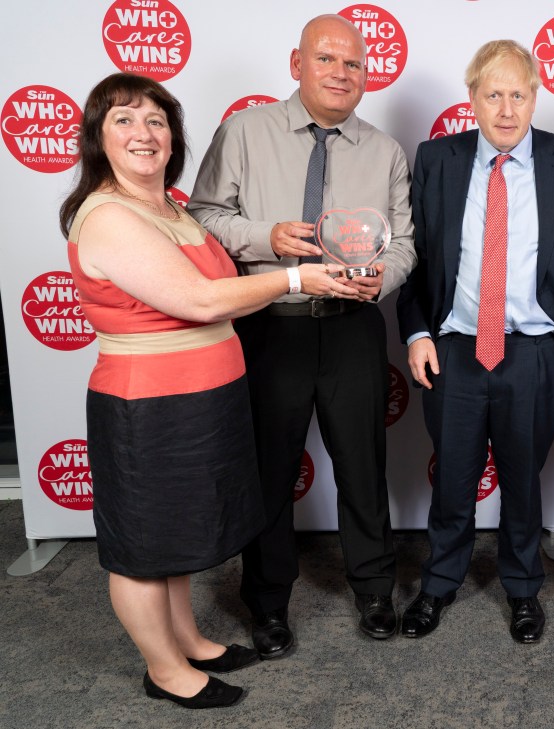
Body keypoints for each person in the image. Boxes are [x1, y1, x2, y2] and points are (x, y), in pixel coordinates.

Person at [59, 73, 351, 708]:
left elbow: (222, 298)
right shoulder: (107, 215)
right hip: (147, 404)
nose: (145, 133)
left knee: (178, 531)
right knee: (143, 545)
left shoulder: (168, 205)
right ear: (98, 138)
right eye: (125, 120)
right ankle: (164, 670)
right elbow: (199, 299)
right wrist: (295, 279)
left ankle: (187, 637)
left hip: (204, 395)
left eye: (157, 121)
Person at [188, 14, 416, 655]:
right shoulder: (245, 131)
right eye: (327, 60)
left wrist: (383, 282)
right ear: (296, 64)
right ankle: (267, 604)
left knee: (364, 468)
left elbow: (405, 243)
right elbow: (204, 214)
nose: (342, 73)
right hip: (270, 325)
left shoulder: (385, 150)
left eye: (354, 64)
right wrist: (265, 238)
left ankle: (374, 589)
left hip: (352, 328)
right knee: (268, 470)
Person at [396, 40, 554, 643]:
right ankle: (439, 583)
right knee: (452, 476)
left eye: (519, 94)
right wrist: (417, 330)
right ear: (472, 99)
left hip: (533, 352)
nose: (506, 108)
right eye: (493, 94)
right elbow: (416, 256)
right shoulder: (437, 159)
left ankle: (524, 588)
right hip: (454, 349)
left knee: (524, 480)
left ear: (535, 98)